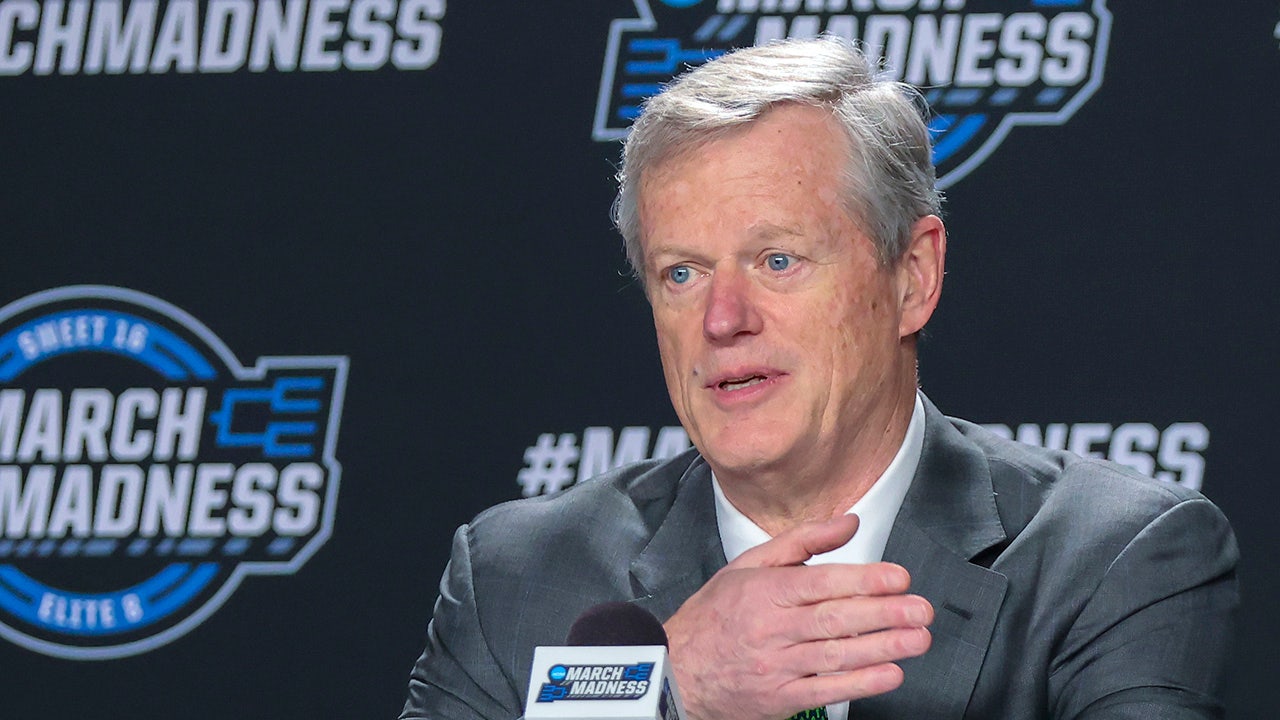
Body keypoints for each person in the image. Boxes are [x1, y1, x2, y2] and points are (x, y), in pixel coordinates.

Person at [401, 37, 1238, 720]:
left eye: (778, 260)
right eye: (682, 273)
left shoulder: (1111, 558)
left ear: (912, 278)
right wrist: (663, 698)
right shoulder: (516, 575)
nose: (723, 319)